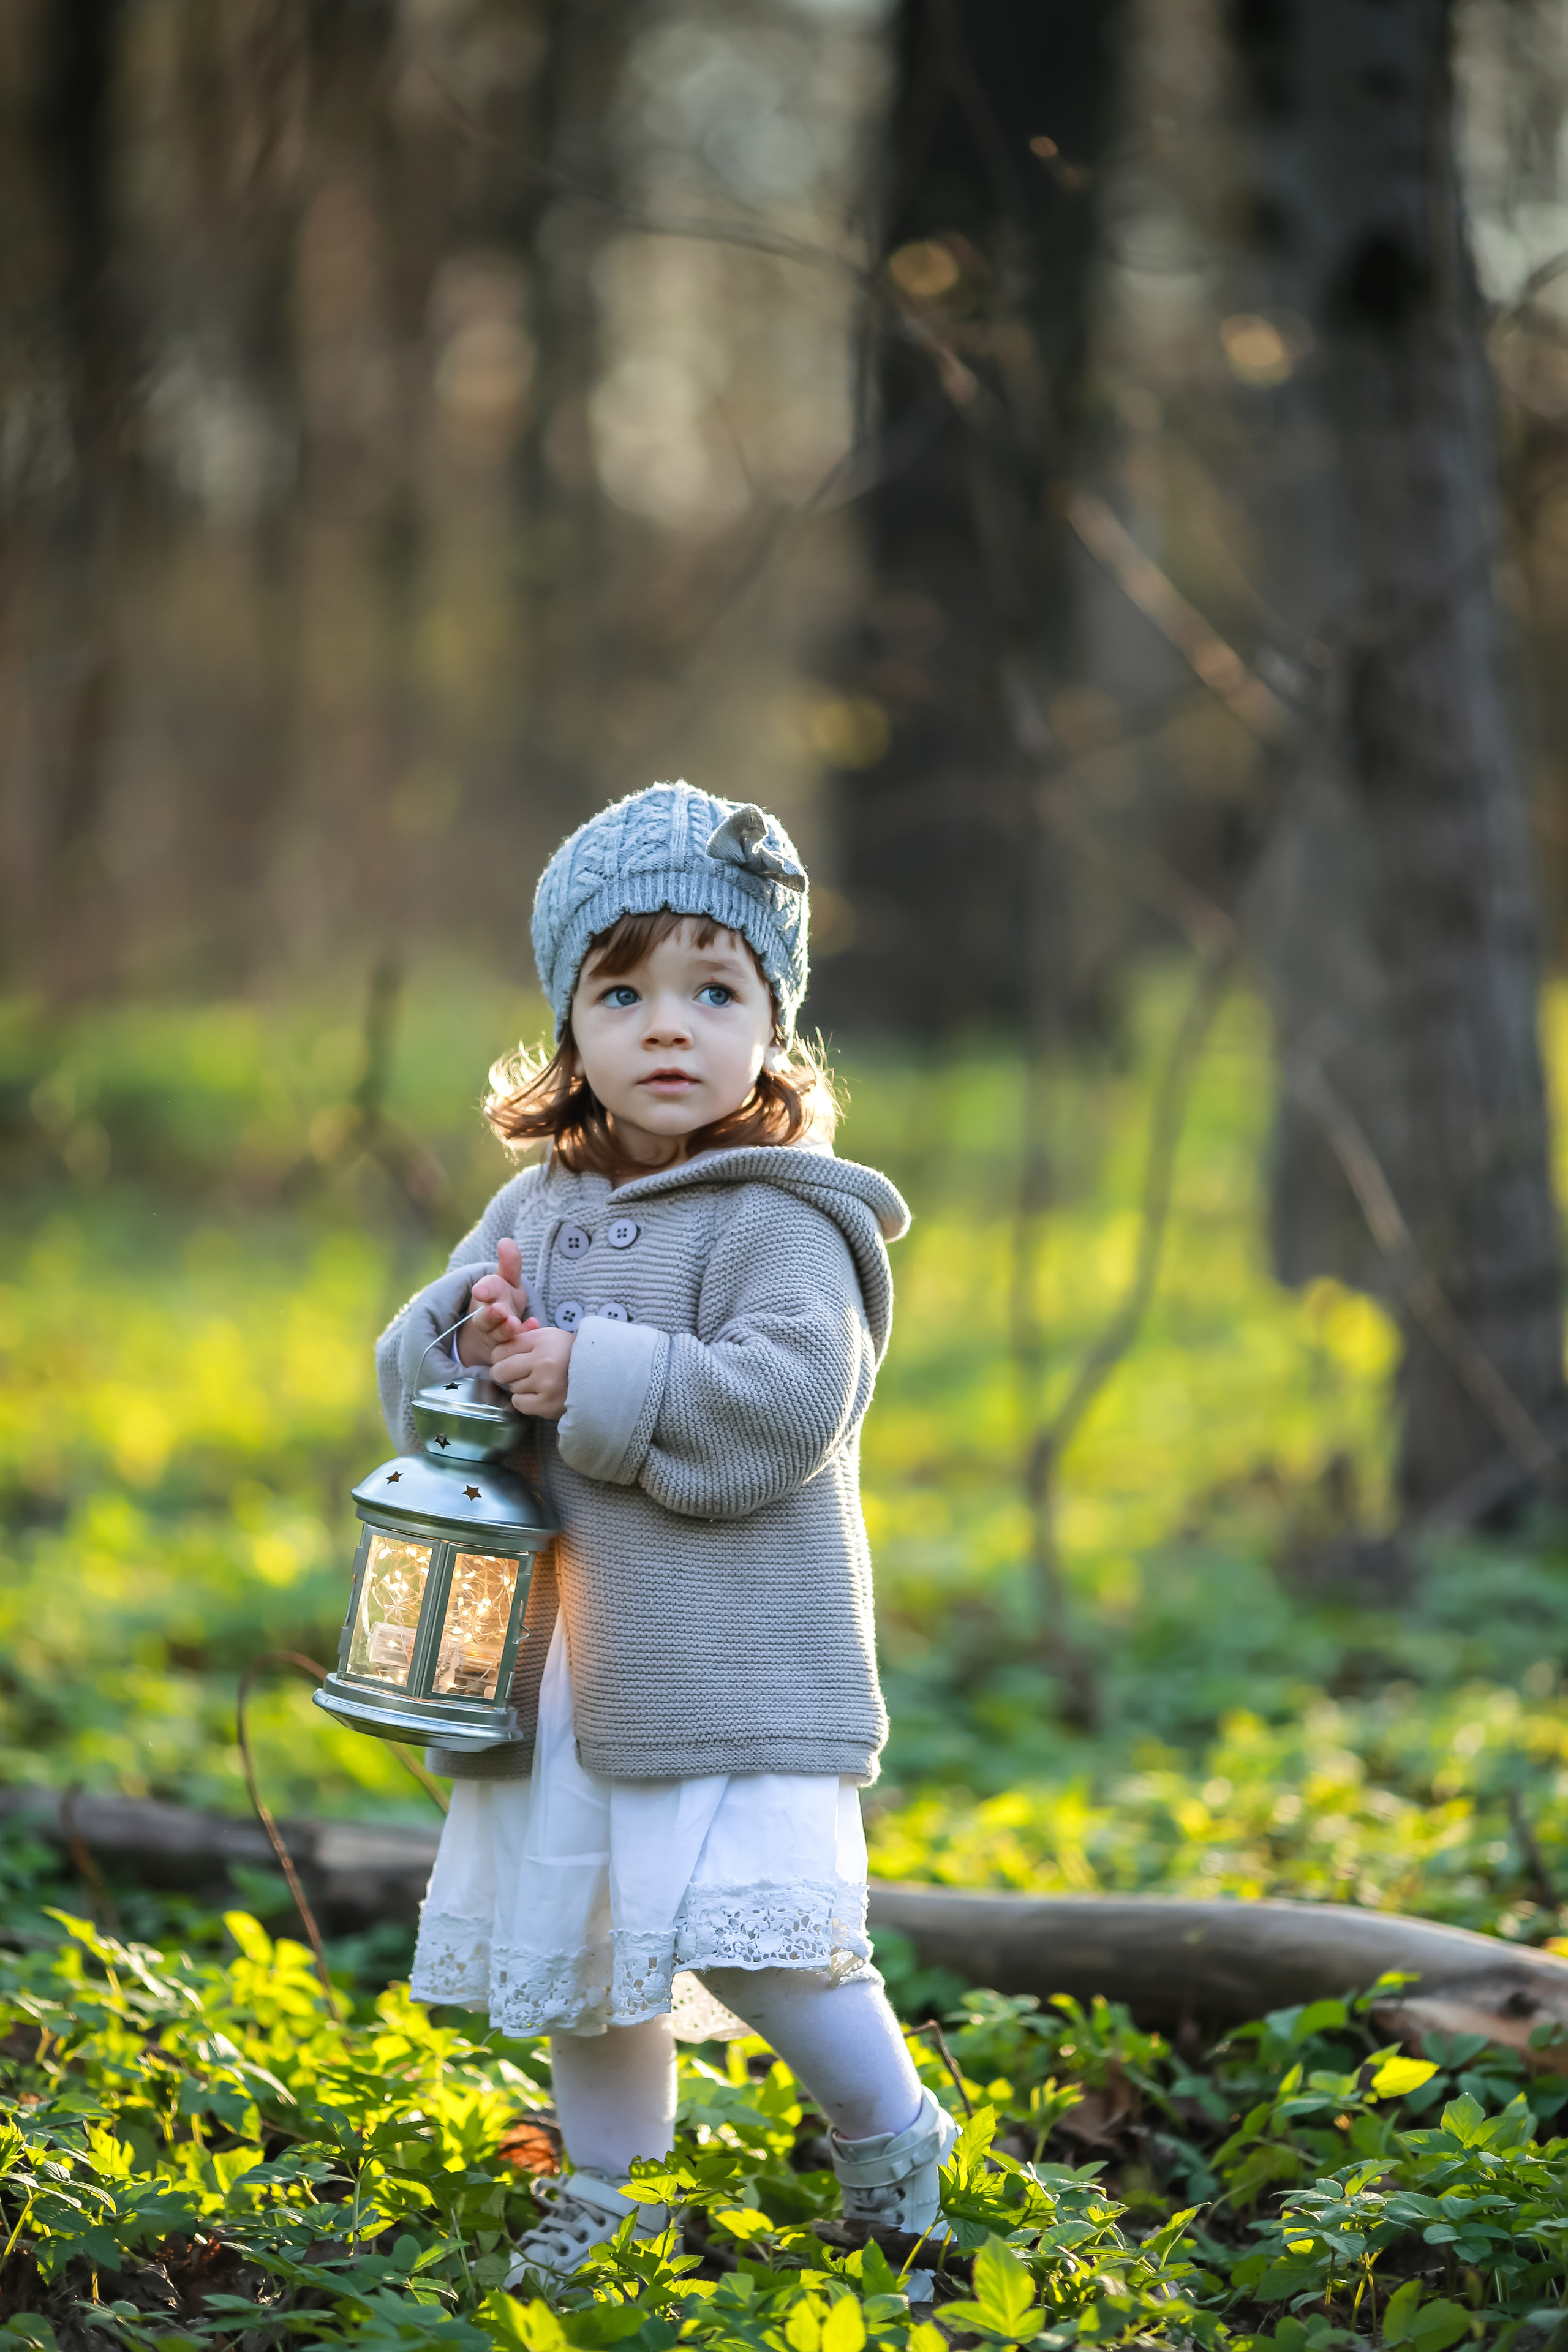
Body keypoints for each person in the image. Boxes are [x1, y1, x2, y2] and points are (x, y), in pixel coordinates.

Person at [375, 781, 956, 2290]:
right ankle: (616, 2193)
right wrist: (473, 1339)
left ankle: (891, 2134)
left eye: (715, 987)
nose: (668, 1026)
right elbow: (417, 1385)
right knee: (588, 1953)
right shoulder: (538, 1200)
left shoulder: (783, 1218)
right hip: (572, 1672)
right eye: (620, 988)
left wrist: (597, 1376)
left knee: (767, 1945)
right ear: (570, 1021)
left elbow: (789, 1405)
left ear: (775, 1019)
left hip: (732, 1669)